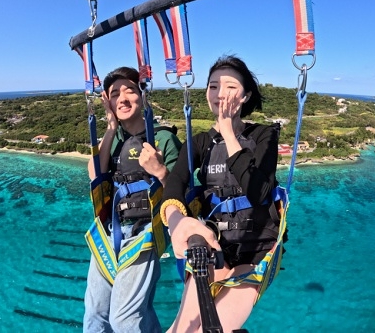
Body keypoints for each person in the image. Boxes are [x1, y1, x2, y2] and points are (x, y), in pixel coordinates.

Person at [160, 55, 282, 333]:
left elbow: (258, 192)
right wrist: (176, 220)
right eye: (213, 86)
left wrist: (227, 131)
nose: (220, 94)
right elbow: (176, 182)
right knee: (182, 328)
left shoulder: (263, 136)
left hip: (256, 250)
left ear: (245, 96)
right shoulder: (199, 142)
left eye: (230, 87)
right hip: (213, 245)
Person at [83, 66, 182, 333]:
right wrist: (110, 128)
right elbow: (95, 175)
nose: (123, 99)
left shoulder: (163, 139)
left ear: (142, 96)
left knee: (125, 319)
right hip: (109, 232)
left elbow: (181, 194)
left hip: (144, 232)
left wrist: (160, 171)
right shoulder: (113, 139)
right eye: (115, 94)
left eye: (130, 91)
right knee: (95, 316)